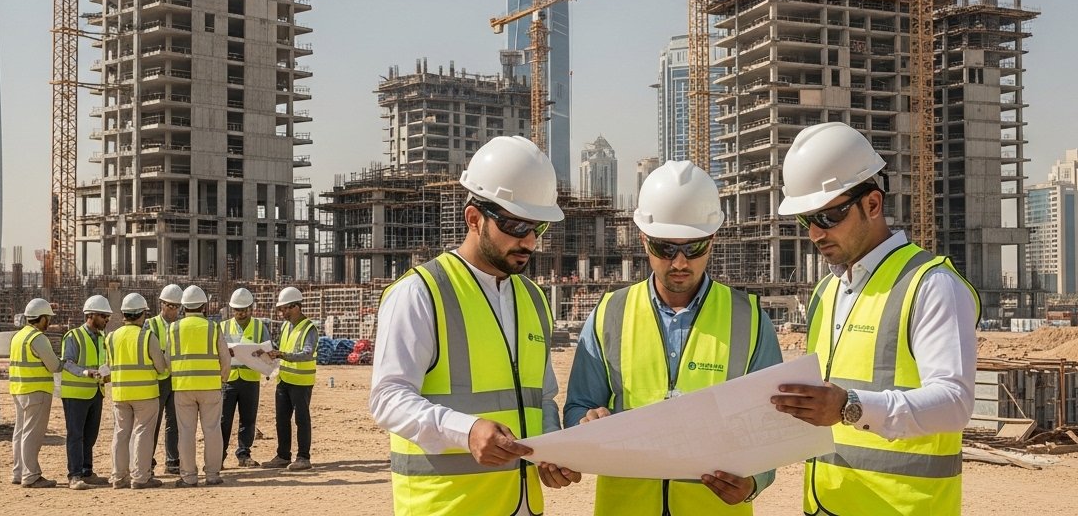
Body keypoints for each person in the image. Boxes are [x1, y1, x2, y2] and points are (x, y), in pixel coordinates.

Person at [768, 122, 979, 515]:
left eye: (829, 216)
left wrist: (851, 407)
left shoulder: (930, 284)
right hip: (824, 507)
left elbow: (955, 402)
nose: (816, 234)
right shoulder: (825, 292)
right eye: (806, 220)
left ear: (873, 204)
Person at [369, 135, 581, 515]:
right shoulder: (422, 292)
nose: (529, 242)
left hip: (523, 506)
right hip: (447, 507)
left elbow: (542, 397)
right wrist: (465, 431)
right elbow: (387, 399)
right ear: (474, 219)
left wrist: (551, 447)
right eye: (517, 225)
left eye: (538, 229)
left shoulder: (532, 298)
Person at [565, 160, 783, 514]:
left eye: (693, 248)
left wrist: (754, 481)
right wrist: (585, 423)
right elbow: (577, 405)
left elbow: (772, 423)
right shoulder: (610, 313)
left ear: (712, 240)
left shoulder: (750, 319)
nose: (679, 262)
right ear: (643, 240)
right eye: (665, 248)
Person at [107, 293, 170, 489]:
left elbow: (109, 365)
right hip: (145, 394)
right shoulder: (147, 336)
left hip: (120, 393)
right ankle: (141, 477)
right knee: (143, 433)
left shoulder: (111, 337)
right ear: (142, 314)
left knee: (121, 433)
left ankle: (119, 477)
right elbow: (161, 367)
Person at [170, 284, 231, 487]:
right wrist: (221, 379)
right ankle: (212, 474)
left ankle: (188, 476)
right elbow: (225, 359)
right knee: (212, 430)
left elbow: (168, 359)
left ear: (183, 307)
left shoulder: (174, 328)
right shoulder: (213, 327)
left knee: (186, 431)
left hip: (183, 386)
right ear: (204, 306)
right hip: (210, 386)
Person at [260, 286, 317, 471]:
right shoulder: (285, 326)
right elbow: (281, 346)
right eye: (281, 309)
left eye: (285, 308)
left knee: (302, 420)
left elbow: (307, 353)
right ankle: (283, 455)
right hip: (283, 380)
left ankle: (303, 457)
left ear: (296, 307)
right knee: (281, 419)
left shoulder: (309, 328)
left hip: (301, 382)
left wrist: (282, 355)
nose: (282, 312)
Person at [60, 295, 112, 490]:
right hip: (76, 394)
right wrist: (85, 372)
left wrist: (106, 375)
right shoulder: (74, 336)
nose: (106, 320)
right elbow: (67, 363)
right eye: (103, 316)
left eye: (107, 316)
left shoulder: (101, 338)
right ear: (90, 315)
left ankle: (87, 472)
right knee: (76, 435)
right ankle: (74, 475)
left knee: (90, 436)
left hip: (95, 392)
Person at [10, 297, 61, 488]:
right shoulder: (38, 338)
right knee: (32, 434)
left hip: (19, 390)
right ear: (41, 318)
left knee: (20, 432)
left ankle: (19, 472)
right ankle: (31, 475)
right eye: (48, 318)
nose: (49, 321)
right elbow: (54, 365)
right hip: (36, 391)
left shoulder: (19, 336)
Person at [221, 287, 268, 467]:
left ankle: (244, 454)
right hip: (229, 379)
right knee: (224, 420)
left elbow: (268, 349)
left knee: (248, 420)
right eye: (237, 310)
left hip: (250, 379)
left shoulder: (259, 326)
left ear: (251, 309)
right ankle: (219, 455)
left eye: (243, 310)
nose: (240, 313)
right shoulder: (223, 326)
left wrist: (260, 353)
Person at [147, 282, 184, 475]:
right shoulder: (150, 324)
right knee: (154, 421)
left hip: (176, 379)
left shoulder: (181, 326)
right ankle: (148, 462)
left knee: (174, 422)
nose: (172, 310)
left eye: (176, 307)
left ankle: (172, 460)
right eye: (169, 306)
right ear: (161, 304)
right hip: (157, 379)